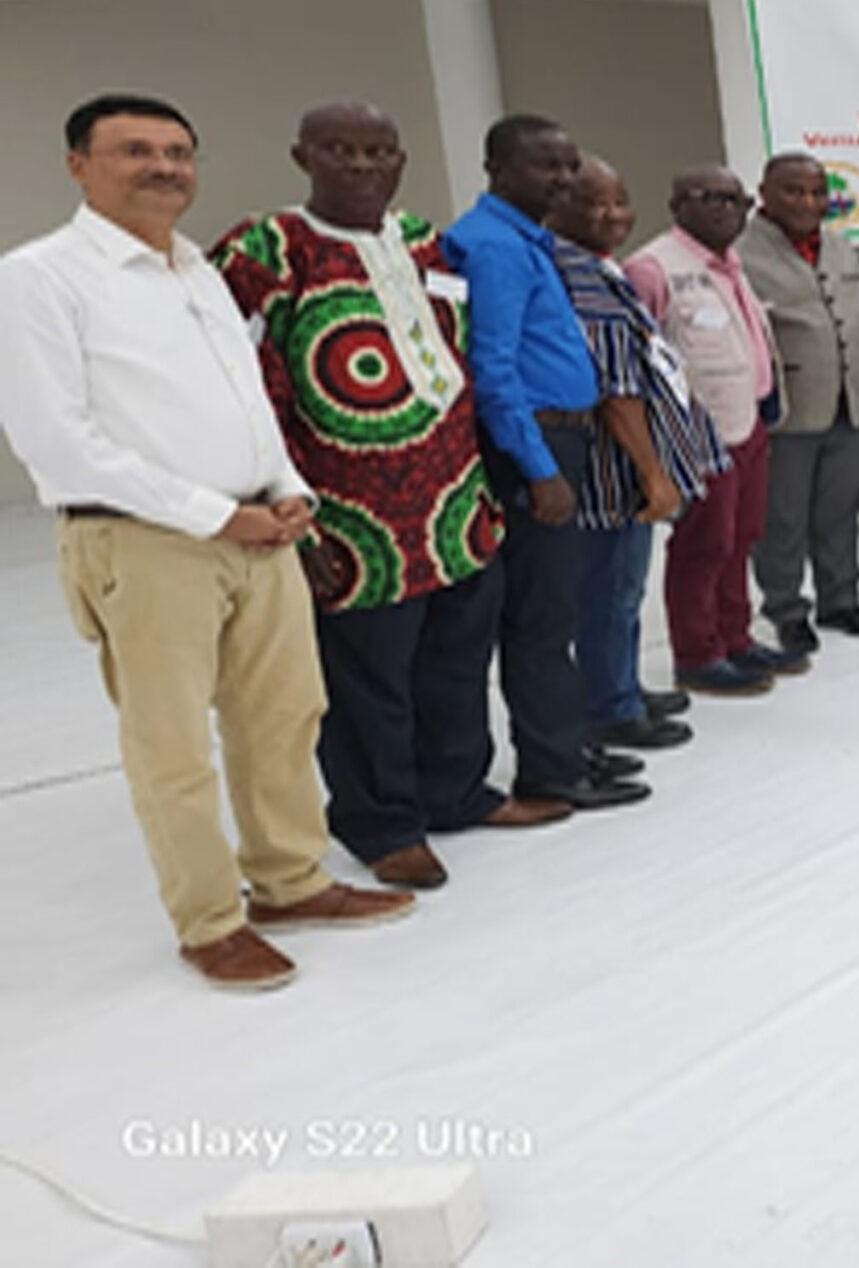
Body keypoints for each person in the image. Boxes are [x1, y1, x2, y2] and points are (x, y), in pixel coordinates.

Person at [0, 95, 413, 992]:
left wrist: (289, 490)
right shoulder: (39, 278)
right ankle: (209, 922)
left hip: (260, 529)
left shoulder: (195, 267)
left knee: (284, 716)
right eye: (136, 151)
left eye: (179, 152)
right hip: (145, 542)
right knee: (173, 745)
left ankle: (291, 881)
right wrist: (213, 514)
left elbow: (248, 397)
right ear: (78, 165)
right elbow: (57, 439)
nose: (164, 167)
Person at [210, 103, 565, 894]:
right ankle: (382, 822)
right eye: (342, 150)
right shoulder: (267, 249)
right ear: (304, 155)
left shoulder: (424, 240)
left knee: (455, 659)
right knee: (368, 678)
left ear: (402, 162)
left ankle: (457, 790)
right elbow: (244, 383)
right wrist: (278, 493)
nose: (363, 166)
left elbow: (463, 352)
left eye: (379, 152)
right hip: (348, 514)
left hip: (453, 502)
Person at [442, 114, 646, 809]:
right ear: (496, 165)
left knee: (549, 610)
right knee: (539, 617)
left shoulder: (527, 241)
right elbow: (494, 369)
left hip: (559, 434)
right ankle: (552, 770)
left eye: (568, 167)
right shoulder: (495, 248)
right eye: (544, 167)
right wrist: (539, 468)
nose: (562, 180)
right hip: (534, 442)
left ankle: (562, 746)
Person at [549, 157, 735, 744]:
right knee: (608, 591)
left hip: (626, 466)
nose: (614, 215)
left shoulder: (599, 268)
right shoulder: (575, 275)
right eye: (595, 203)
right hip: (615, 470)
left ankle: (620, 683)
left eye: (620, 200)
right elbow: (617, 389)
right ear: (559, 206)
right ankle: (611, 708)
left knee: (624, 588)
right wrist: (655, 474)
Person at [629, 166, 803, 694]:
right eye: (713, 199)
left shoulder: (732, 263)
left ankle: (736, 637)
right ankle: (698, 653)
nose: (729, 210)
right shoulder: (653, 267)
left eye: (737, 200)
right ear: (678, 203)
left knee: (741, 536)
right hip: (698, 433)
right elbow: (640, 357)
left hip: (748, 422)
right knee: (704, 544)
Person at [739, 152, 859, 644]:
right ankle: (786, 608)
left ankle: (840, 599)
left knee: (840, 510)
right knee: (782, 517)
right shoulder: (742, 254)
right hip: (788, 410)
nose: (808, 202)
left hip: (850, 404)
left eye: (818, 192)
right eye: (794, 191)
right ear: (764, 192)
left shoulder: (842, 248)